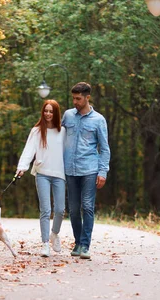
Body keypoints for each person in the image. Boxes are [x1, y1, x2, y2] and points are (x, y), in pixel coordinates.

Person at [62, 82, 110, 259]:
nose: (75, 101)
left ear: (87, 97)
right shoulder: (67, 116)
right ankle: (77, 242)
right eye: (73, 98)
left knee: (87, 207)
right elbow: (56, 136)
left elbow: (104, 148)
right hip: (70, 169)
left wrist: (103, 172)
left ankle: (85, 245)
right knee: (74, 209)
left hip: (90, 169)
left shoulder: (98, 120)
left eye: (78, 98)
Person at [16, 100, 66, 257]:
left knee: (60, 210)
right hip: (42, 173)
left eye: (51, 111)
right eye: (46, 111)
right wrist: (22, 167)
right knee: (45, 210)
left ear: (56, 113)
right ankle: (45, 244)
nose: (48, 114)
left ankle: (54, 234)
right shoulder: (37, 131)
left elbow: (68, 152)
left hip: (59, 174)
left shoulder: (63, 131)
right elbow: (28, 150)